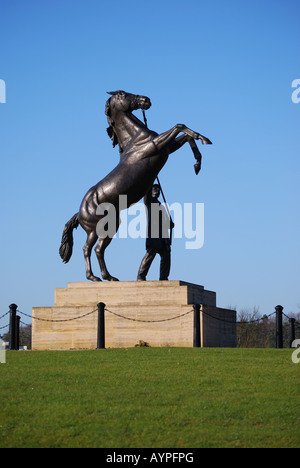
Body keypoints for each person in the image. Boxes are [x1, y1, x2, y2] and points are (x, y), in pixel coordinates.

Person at [137, 184, 174, 281]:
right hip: (154, 235)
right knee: (150, 255)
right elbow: (146, 191)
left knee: (166, 256)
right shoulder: (149, 201)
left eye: (159, 189)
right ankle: (141, 275)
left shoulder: (161, 206)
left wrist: (169, 224)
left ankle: (163, 277)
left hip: (163, 235)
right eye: (155, 189)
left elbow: (164, 222)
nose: (157, 191)